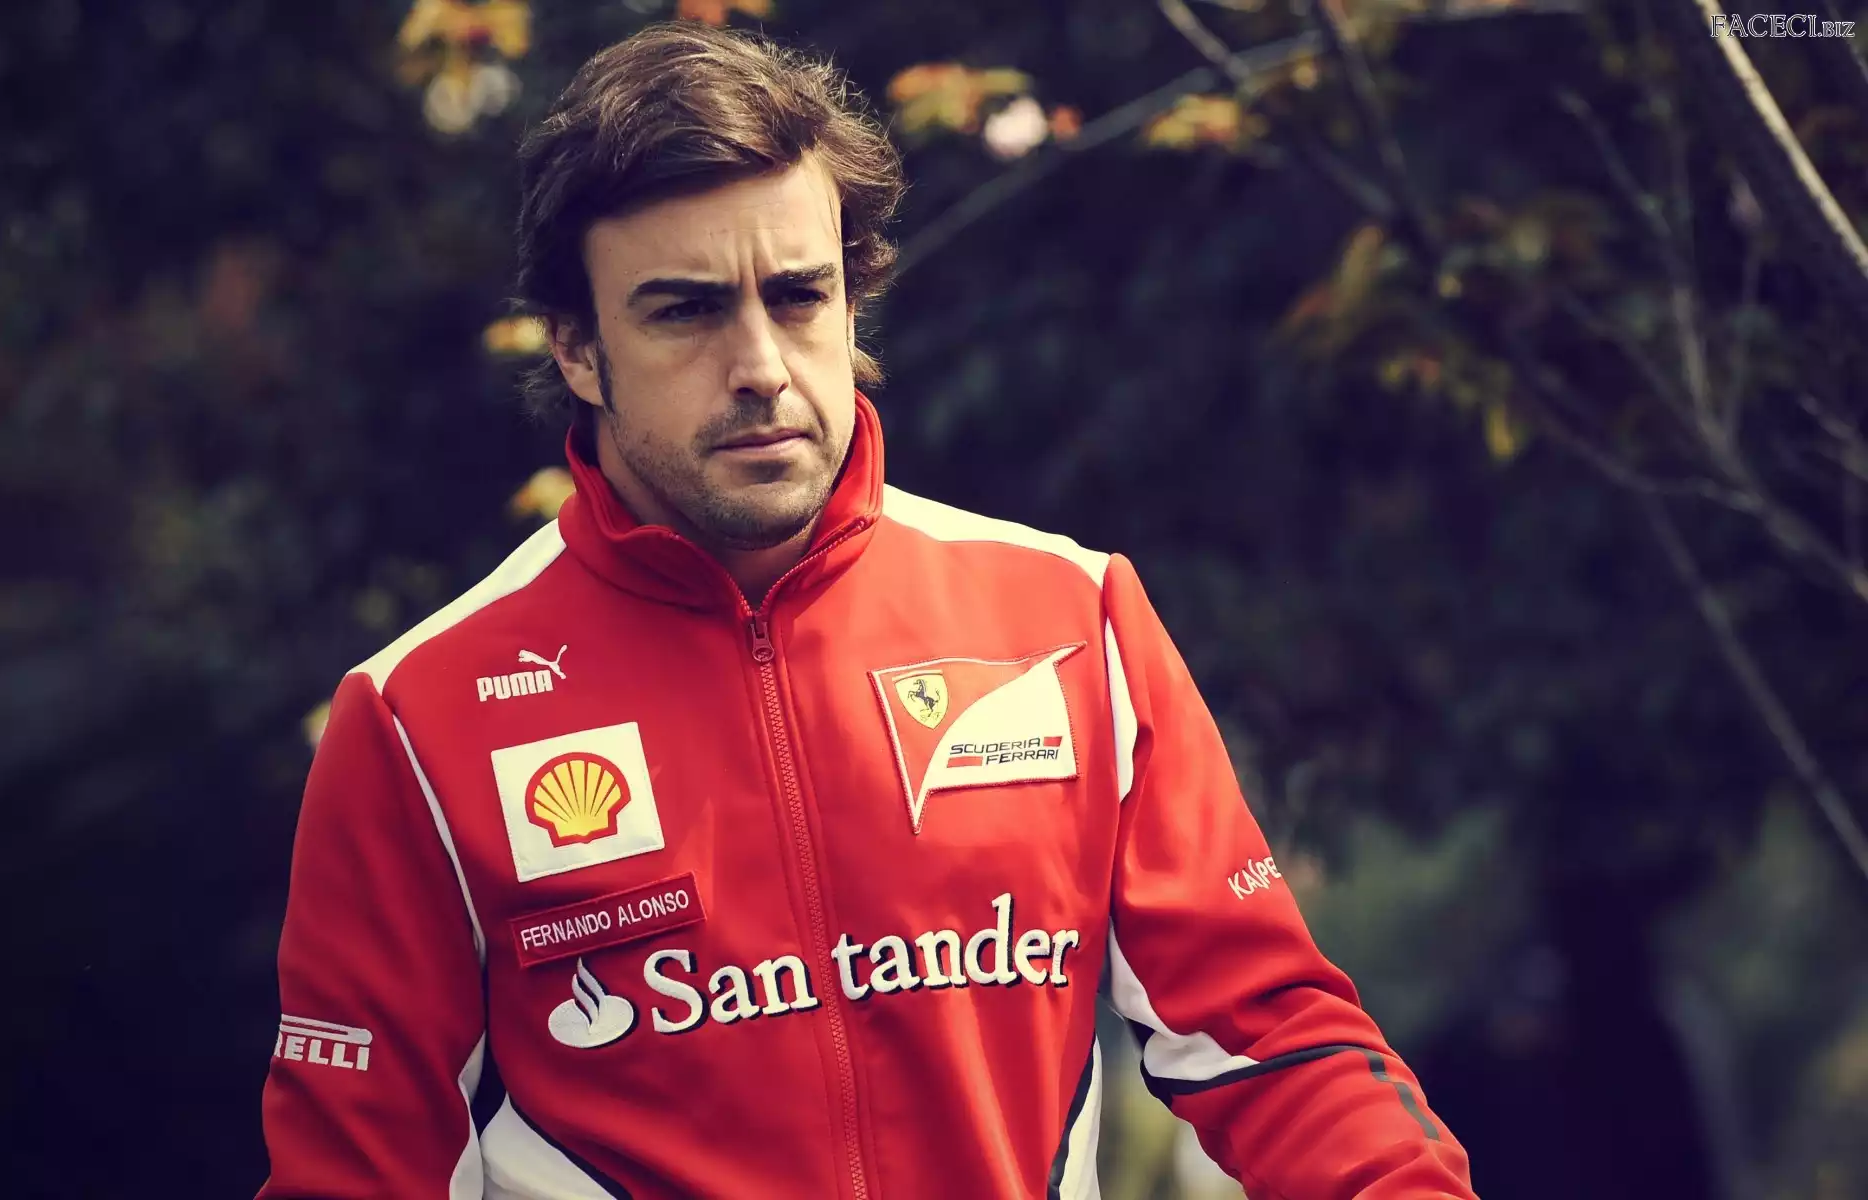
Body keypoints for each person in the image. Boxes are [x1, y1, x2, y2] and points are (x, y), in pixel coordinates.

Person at [258, 20, 1475, 1200]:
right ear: (577, 349)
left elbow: (1272, 1036)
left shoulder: (1071, 614)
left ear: (853, 305)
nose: (760, 367)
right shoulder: (416, 719)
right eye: (685, 310)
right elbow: (353, 1176)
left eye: (799, 296)